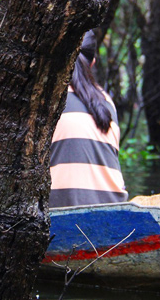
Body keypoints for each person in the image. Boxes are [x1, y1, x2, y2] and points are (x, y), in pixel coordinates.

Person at [48, 30, 128, 207]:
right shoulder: (106, 102)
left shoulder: (47, 100)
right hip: (115, 208)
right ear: (92, 62)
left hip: (62, 210)